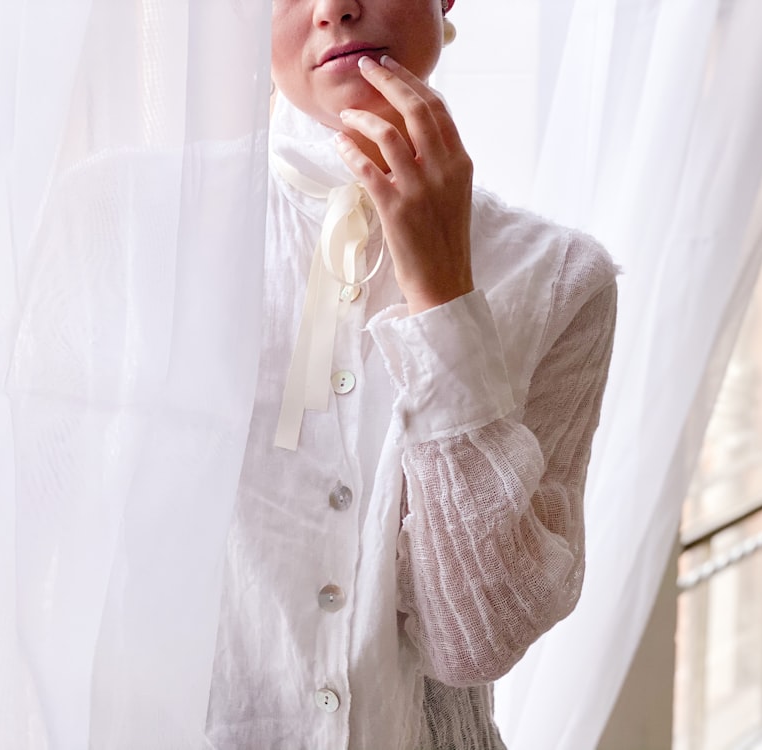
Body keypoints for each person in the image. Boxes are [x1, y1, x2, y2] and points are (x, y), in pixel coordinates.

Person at [205, 0, 617, 747]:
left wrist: (444, 296)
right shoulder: (130, 229)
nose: (334, 8)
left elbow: (475, 643)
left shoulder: (560, 279)